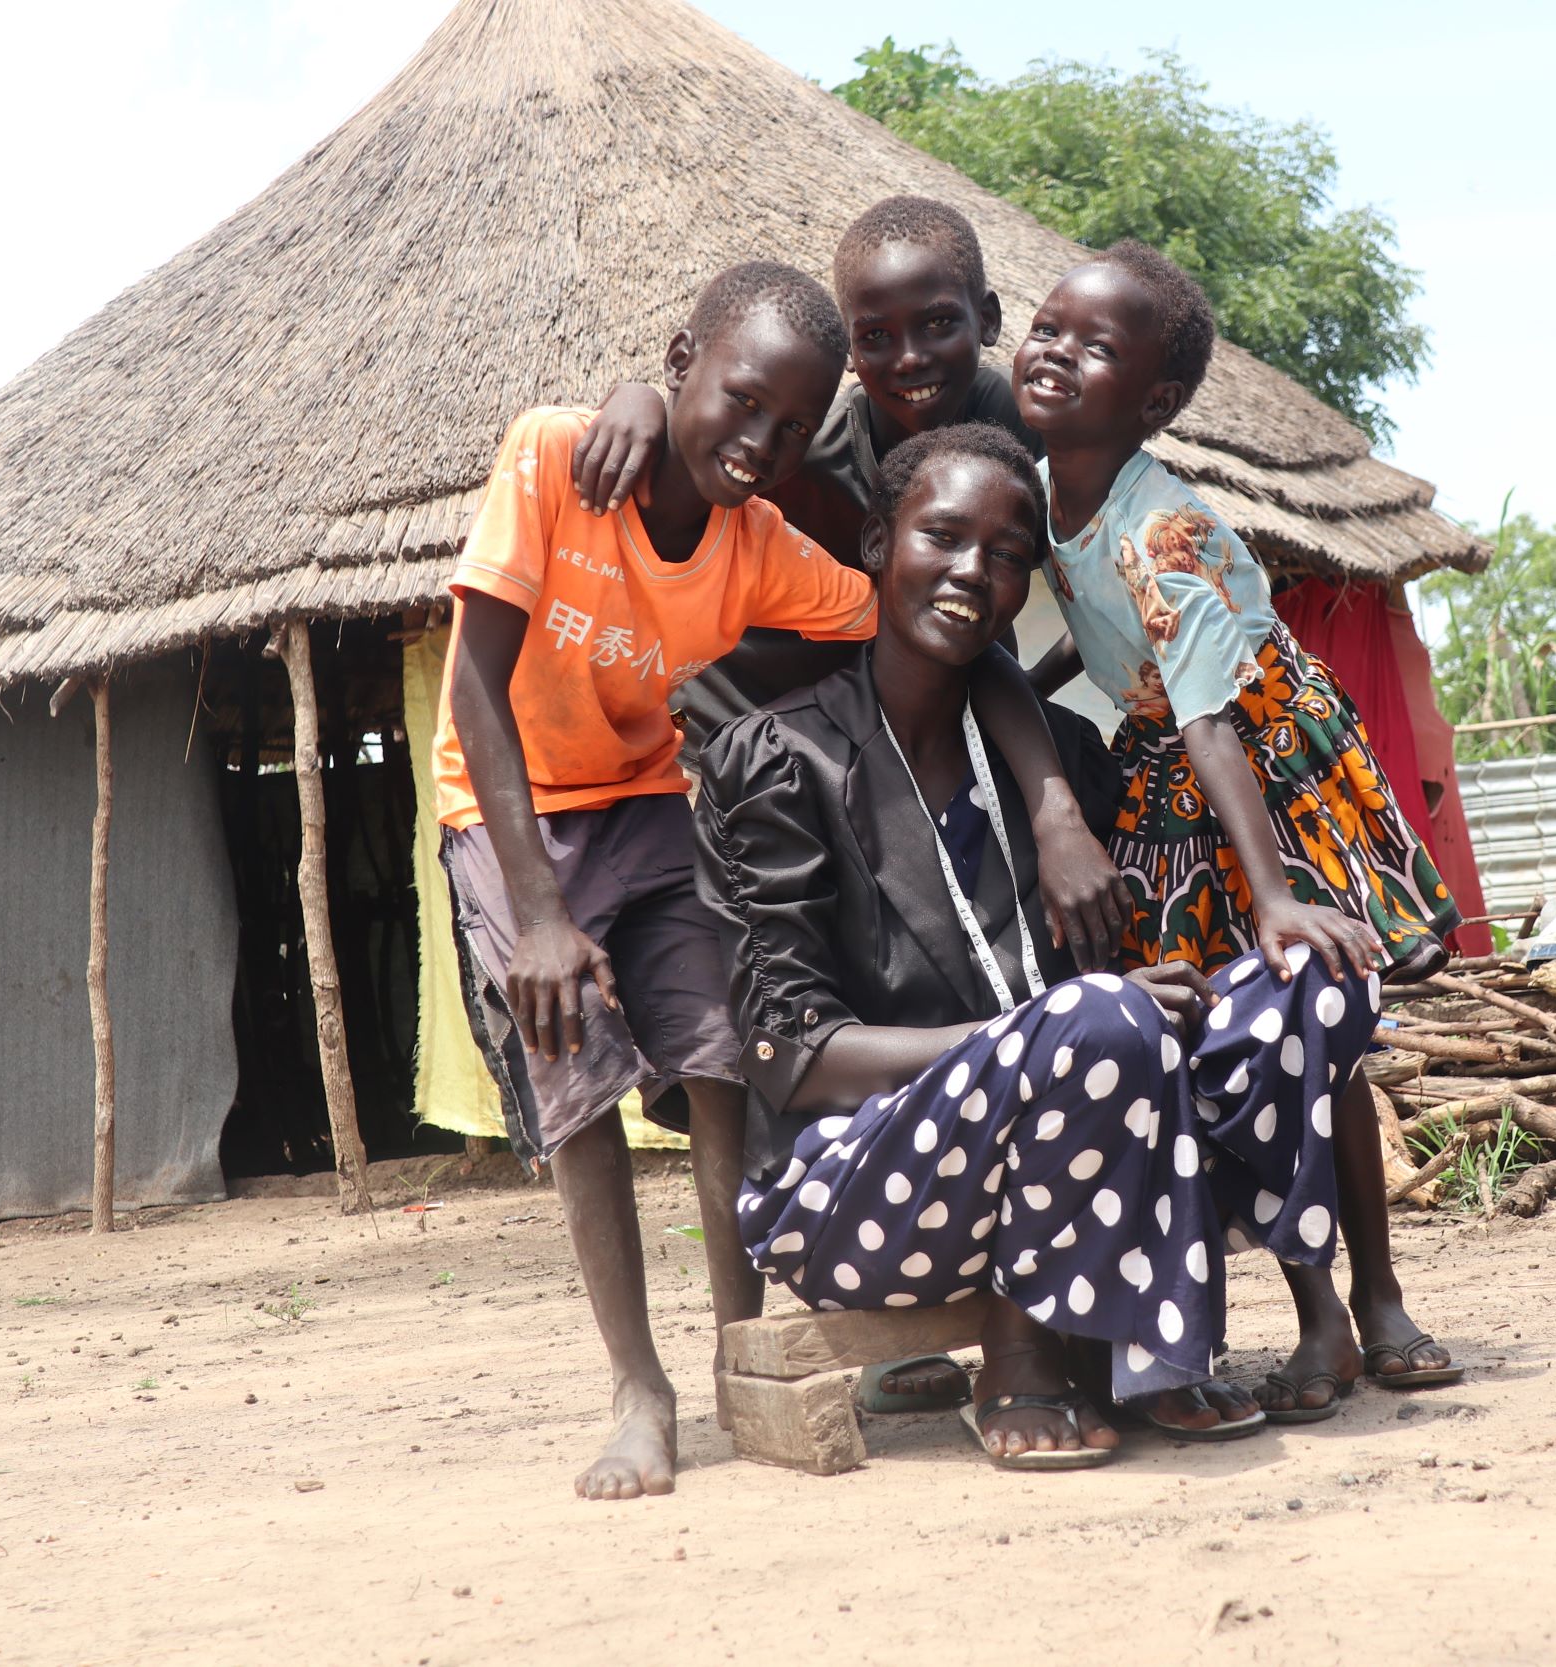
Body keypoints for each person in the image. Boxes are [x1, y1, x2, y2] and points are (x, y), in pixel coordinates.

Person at [435, 262, 1117, 1503]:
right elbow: (474, 681)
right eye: (740, 402)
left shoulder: (758, 549)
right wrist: (538, 913)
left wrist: (1054, 800)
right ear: (682, 357)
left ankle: (737, 1351)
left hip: (643, 798)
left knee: (721, 1067)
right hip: (510, 810)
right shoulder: (552, 455)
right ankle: (638, 1387)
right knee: (576, 1071)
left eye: (793, 428)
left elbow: (944, 629)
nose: (760, 443)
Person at [699, 423, 1392, 1466]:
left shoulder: (1063, 762)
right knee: (1091, 1018)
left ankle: (1154, 1343)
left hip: (1093, 1154)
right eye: (942, 536)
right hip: (859, 1192)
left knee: (1305, 989)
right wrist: (1033, 1034)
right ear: (879, 544)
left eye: (1010, 554)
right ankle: (1027, 1358)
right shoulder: (777, 760)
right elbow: (794, 1058)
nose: (974, 572)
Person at [1012, 242, 1465, 1413]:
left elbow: (1214, 714)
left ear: (1155, 401)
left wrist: (1271, 895)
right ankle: (1318, 1311)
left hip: (1260, 770)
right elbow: (1130, 644)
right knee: (1233, 1038)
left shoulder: (1165, 530)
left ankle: (1372, 1299)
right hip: (1173, 765)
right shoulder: (1048, 488)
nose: (1056, 351)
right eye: (1049, 327)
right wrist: (1039, 677)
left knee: (1311, 1025)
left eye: (1095, 346)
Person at [569, 195, 1038, 748]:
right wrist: (639, 397)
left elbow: (1113, 555)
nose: (910, 358)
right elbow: (688, 452)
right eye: (877, 336)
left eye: (937, 323)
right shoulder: (798, 452)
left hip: (881, 746)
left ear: (986, 319)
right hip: (725, 731)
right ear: (849, 349)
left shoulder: (1019, 431)